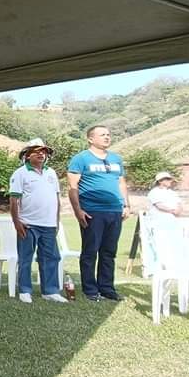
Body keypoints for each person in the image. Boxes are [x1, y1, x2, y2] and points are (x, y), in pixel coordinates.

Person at [67, 125, 130, 302]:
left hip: (115, 211)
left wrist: (126, 205)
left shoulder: (116, 159)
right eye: (102, 135)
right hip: (92, 211)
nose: (107, 137)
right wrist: (78, 210)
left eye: (108, 134)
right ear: (90, 139)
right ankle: (90, 289)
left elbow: (121, 183)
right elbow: (72, 186)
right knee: (90, 251)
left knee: (109, 252)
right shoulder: (81, 159)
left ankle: (107, 288)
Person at [9, 138, 68, 304]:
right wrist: (17, 222)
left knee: (50, 258)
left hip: (49, 224)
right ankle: (25, 291)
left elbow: (56, 199)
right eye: (37, 151)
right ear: (27, 155)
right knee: (25, 258)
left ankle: (50, 291)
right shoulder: (20, 173)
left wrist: (56, 221)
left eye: (44, 151)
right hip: (28, 224)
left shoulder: (51, 173)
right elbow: (14, 200)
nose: (41, 154)